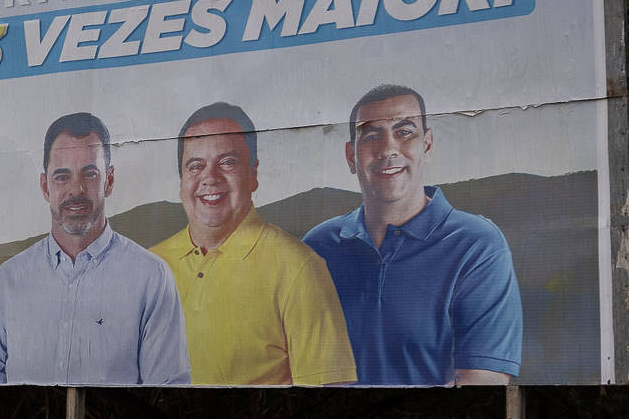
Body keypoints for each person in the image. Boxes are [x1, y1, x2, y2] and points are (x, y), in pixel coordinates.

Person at [302, 83, 523, 385]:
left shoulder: (477, 245)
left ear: (427, 145)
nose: (388, 149)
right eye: (371, 135)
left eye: (404, 132)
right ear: (351, 156)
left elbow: (483, 383)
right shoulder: (317, 247)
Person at [0, 111, 190, 386]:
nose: (77, 188)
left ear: (108, 181)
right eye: (62, 176)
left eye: (90, 173)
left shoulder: (151, 279)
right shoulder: (9, 280)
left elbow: (168, 398)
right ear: (44, 186)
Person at [152, 102, 356, 386]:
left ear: (254, 173)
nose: (209, 178)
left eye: (227, 162)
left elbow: (329, 399)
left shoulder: (299, 268)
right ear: (182, 179)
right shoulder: (151, 266)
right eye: (195, 166)